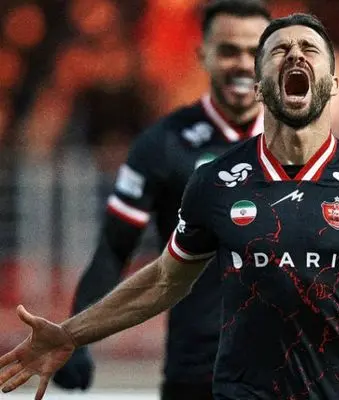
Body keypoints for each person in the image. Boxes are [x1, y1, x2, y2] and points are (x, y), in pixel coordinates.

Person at [2, 13, 339, 400]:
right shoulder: (214, 183)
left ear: (333, 84)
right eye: (279, 50)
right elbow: (162, 281)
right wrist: (70, 333)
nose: (295, 56)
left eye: (310, 49)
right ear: (258, 85)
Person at [50, 1, 270, 399]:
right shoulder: (164, 144)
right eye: (228, 51)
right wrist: (76, 337)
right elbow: (114, 248)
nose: (242, 64)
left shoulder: (304, 144)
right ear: (203, 54)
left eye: (254, 52)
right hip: (197, 374)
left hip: (288, 374)